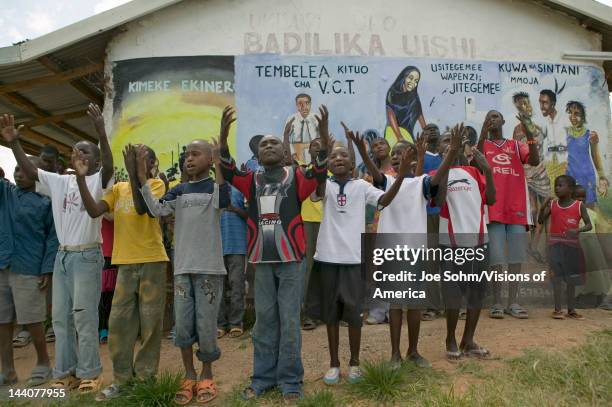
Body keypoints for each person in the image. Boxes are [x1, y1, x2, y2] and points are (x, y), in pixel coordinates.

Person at [0, 104, 114, 393]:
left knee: (84, 316)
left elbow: (108, 169)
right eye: (75, 151)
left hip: (87, 255)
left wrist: (101, 132)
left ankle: (91, 372)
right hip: (63, 255)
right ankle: (66, 371)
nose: (79, 154)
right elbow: (30, 170)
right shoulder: (60, 181)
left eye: (85, 151)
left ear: (96, 160)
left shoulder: (98, 180)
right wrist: (14, 143)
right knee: (62, 319)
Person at [219, 105, 329, 403]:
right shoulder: (250, 179)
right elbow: (227, 168)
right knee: (265, 321)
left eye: (274, 143)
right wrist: (223, 134)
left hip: (292, 260)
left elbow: (320, 169)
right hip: (262, 261)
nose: (268, 146)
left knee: (290, 321)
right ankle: (263, 378)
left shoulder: (297, 177)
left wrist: (324, 131)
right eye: (263, 144)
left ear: (284, 152)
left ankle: (291, 381)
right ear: (257, 154)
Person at [306, 125, 413, 384]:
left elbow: (385, 200)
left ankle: (354, 363)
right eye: (334, 157)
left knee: (354, 315)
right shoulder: (325, 187)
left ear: (353, 163)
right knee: (331, 315)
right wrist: (323, 133)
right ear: (328, 164)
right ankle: (333, 364)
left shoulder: (362, 187)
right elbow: (318, 182)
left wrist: (399, 176)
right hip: (327, 259)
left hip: (354, 259)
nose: (339, 159)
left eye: (344, 156)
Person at [73, 144, 168, 400]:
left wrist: (136, 175)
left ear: (152, 164)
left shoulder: (156, 185)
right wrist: (81, 179)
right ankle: (122, 380)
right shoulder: (117, 189)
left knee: (150, 324)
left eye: (143, 159)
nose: (138, 162)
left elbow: (141, 208)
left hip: (152, 261)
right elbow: (94, 211)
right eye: (134, 158)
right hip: (125, 264)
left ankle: (145, 379)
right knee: (119, 324)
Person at [139, 138, 230, 405]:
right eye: (187, 155)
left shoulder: (215, 188)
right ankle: (189, 374)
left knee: (206, 324)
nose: (189, 159)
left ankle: (206, 374)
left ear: (209, 159)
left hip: (210, 270)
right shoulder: (178, 191)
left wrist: (219, 165)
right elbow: (156, 209)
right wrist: (144, 180)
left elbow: (224, 201)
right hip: (182, 270)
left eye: (196, 154)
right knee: (183, 325)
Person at [435, 128, 496, 360]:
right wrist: (448, 159)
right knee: (452, 294)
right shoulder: (436, 174)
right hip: (450, 244)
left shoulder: (474, 171)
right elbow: (438, 200)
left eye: (456, 140)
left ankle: (468, 340)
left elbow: (490, 199)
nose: (452, 143)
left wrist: (488, 171)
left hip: (480, 241)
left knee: (476, 293)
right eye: (446, 140)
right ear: (439, 148)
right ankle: (450, 338)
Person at [0, 157, 58, 387]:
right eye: (16, 169)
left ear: (37, 174)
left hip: (29, 267)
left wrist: (47, 269)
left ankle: (43, 363)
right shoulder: (6, 193)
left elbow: (53, 239)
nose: (19, 174)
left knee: (33, 319)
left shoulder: (46, 202)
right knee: (2, 321)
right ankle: (7, 370)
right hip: (3, 264)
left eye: (25, 170)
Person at [477, 109, 539, 320]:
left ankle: (513, 301)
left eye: (495, 116)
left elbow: (535, 160)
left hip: (516, 208)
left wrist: (529, 134)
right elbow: (475, 165)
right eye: (488, 117)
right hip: (493, 208)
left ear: (503, 121)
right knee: (496, 258)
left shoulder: (515, 144)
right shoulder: (483, 145)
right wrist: (482, 134)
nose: (492, 119)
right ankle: (496, 302)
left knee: (516, 257)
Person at [538, 175, 591, 319]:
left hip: (572, 248)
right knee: (556, 279)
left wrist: (577, 230)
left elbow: (589, 225)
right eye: (556, 185)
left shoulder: (579, 206)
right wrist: (543, 207)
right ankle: (557, 310)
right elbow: (541, 220)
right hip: (555, 247)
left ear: (571, 189)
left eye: (561, 185)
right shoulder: (553, 204)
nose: (557, 188)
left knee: (571, 280)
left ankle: (571, 310)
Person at [512, 92, 551, 264]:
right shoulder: (517, 130)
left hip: (541, 173)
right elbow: (516, 154)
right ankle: (531, 246)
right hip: (526, 174)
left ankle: (535, 247)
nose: (524, 107)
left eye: (526, 103)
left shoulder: (539, 127)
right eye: (520, 105)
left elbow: (544, 152)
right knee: (533, 211)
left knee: (544, 210)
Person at [217, 185, 248, 339]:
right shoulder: (213, 189)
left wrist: (233, 209)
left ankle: (236, 323)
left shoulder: (240, 189)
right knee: (218, 289)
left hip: (238, 245)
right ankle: (220, 324)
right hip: (216, 246)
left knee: (237, 285)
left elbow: (250, 214)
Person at [300, 138, 324, 331]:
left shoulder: (331, 171)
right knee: (309, 269)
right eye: (313, 144)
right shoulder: (303, 170)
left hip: (328, 223)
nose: (317, 147)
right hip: (307, 221)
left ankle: (332, 311)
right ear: (309, 150)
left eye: (320, 145)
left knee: (330, 267)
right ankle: (308, 314)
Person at [420, 124, 444, 321]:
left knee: (451, 261)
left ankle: (453, 304)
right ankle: (431, 305)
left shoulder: (447, 156)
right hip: (427, 214)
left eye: (436, 128)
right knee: (431, 263)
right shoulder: (420, 157)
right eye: (428, 129)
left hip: (448, 215)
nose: (433, 131)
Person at [565, 101, 603, 205]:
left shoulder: (590, 135)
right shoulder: (565, 133)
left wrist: (601, 176)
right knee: (572, 208)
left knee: (589, 209)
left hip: (586, 177)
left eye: (576, 113)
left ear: (583, 116)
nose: (573, 117)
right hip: (570, 176)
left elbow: (595, 156)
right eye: (570, 113)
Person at [385, 66, 426, 145]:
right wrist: (400, 137)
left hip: (408, 134)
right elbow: (391, 115)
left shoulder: (414, 96)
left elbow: (419, 114)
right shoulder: (392, 93)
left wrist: (427, 131)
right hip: (393, 132)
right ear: (404, 77)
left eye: (416, 81)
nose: (413, 83)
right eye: (410, 78)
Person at [539, 89, 568, 190]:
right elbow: (537, 140)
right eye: (540, 102)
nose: (542, 106)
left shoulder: (565, 120)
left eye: (545, 102)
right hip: (550, 167)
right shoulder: (544, 122)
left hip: (565, 165)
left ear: (553, 104)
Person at [285, 94, 320, 164]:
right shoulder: (291, 119)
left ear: (310, 104)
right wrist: (292, 153)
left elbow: (324, 137)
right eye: (300, 104)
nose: (304, 106)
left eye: (306, 103)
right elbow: (285, 137)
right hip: (296, 152)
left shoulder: (317, 117)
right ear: (296, 106)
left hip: (314, 152)